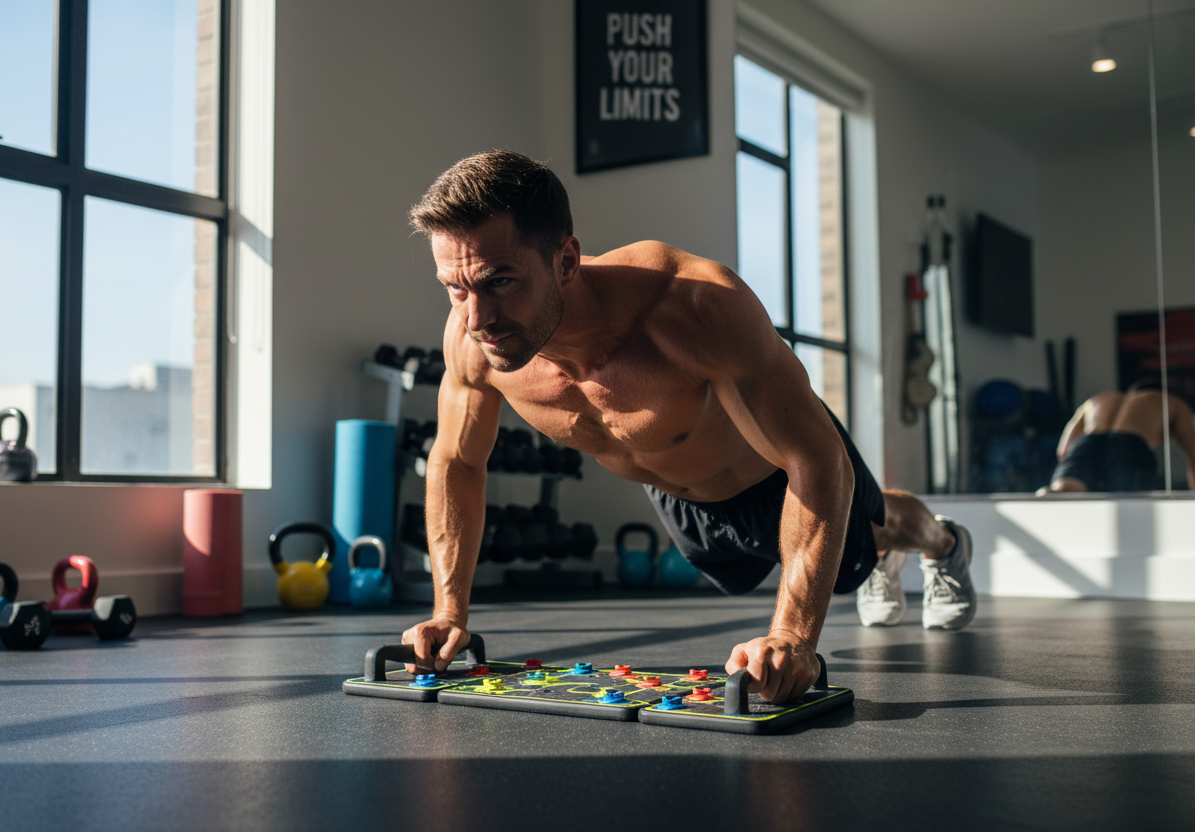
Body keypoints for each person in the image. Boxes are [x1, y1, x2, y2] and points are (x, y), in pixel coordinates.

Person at [400, 150, 976, 703]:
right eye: (455, 287)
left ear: (566, 261)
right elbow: (457, 460)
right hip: (680, 500)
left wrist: (794, 636)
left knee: (870, 542)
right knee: (736, 573)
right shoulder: (473, 341)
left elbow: (815, 459)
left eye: (500, 281)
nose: (476, 316)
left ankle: (942, 544)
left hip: (780, 478)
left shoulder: (693, 308)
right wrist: (449, 610)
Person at [1042, 381, 1195, 493]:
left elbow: (1063, 451)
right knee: (1131, 505)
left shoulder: (1097, 400)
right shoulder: (1172, 402)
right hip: (1130, 444)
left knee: (1064, 491)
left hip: (1087, 442)